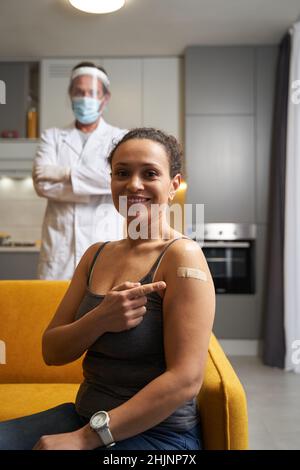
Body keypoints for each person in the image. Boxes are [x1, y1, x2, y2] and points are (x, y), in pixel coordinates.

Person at [0, 128, 215, 450]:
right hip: (83, 415)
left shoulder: (182, 256)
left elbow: (185, 381)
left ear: (173, 186)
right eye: (122, 173)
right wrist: (101, 318)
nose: (134, 184)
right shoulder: (96, 255)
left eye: (150, 173)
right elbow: (52, 351)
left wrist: (85, 439)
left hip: (156, 435)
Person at [32, 61, 126, 280]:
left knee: (103, 311)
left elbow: (114, 180)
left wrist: (63, 174)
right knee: (53, 312)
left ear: (105, 98)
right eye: (79, 92)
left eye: (92, 93)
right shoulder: (52, 136)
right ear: (70, 94)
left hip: (104, 249)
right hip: (59, 254)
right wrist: (98, 184)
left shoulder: (119, 138)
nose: (85, 98)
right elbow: (42, 184)